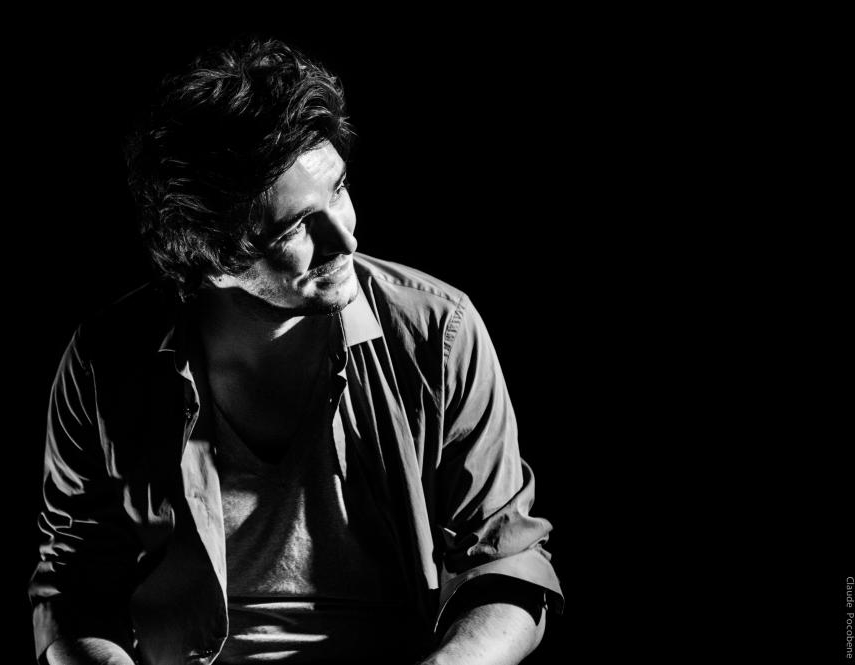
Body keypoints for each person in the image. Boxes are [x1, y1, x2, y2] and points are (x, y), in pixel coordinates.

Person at [29, 37, 564, 665]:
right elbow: (72, 592)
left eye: (338, 190)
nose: (345, 237)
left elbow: (507, 567)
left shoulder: (439, 333)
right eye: (294, 226)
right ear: (212, 258)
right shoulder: (106, 360)